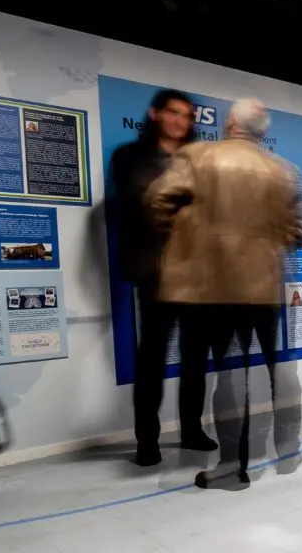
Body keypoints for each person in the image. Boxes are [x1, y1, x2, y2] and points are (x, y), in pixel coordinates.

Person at [149, 98, 302, 489]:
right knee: (281, 368)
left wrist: (191, 236)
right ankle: (288, 452)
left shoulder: (198, 158)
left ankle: (232, 468)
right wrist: (268, 244)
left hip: (219, 289)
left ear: (231, 122)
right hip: (267, 287)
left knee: (232, 374)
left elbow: (158, 201)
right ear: (262, 130)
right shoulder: (282, 169)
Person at [108, 89, 207, 466]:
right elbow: (140, 201)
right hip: (156, 272)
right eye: (174, 112)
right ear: (155, 114)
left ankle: (192, 431)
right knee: (151, 359)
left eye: (187, 115)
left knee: (195, 358)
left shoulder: (199, 159)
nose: (181, 121)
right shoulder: (129, 156)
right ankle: (147, 440)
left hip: (197, 273)